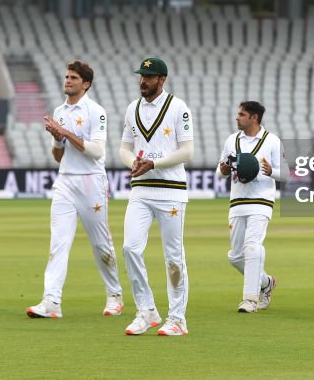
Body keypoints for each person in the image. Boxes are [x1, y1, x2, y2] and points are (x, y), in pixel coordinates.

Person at [26, 61, 124, 319]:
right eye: (66, 76)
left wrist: (64, 133)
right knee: (58, 243)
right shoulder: (59, 111)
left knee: (101, 244)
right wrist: (58, 139)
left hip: (91, 181)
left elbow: (96, 151)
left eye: (73, 78)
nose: (67, 80)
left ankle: (115, 295)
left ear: (86, 84)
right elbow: (58, 156)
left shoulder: (96, 111)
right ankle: (51, 301)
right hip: (66, 182)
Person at [118, 57, 194, 337]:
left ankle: (177, 319)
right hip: (141, 190)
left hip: (171, 191)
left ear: (162, 79)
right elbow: (124, 149)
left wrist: (154, 162)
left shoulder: (178, 107)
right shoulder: (132, 109)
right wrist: (133, 164)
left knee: (174, 258)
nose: (143, 81)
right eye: (141, 76)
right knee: (130, 248)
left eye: (149, 77)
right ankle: (146, 310)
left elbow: (187, 152)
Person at [217, 101, 285, 314]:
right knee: (236, 257)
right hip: (237, 201)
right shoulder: (232, 140)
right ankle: (265, 283)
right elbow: (220, 172)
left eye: (242, 114)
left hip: (261, 201)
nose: (237, 117)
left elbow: (286, 174)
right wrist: (225, 169)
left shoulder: (272, 140)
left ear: (254, 117)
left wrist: (270, 170)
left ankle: (250, 299)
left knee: (253, 246)